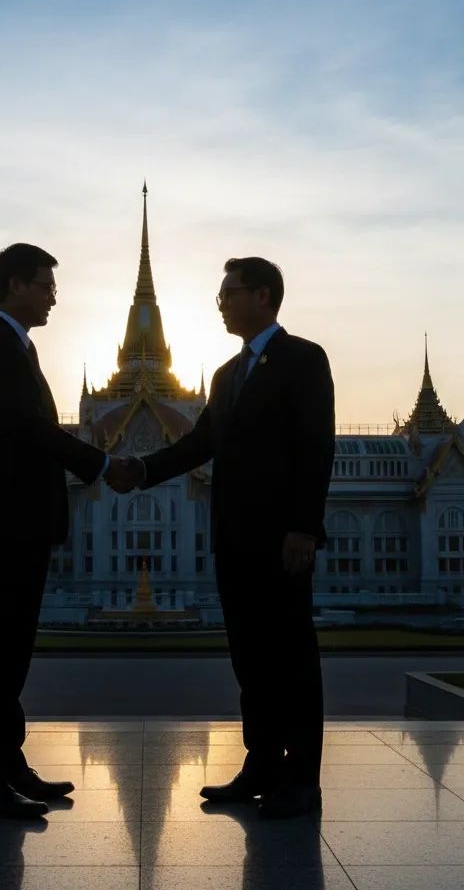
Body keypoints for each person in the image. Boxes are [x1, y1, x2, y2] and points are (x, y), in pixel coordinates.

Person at [107, 257, 334, 818]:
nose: (222, 304)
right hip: (233, 538)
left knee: (292, 660)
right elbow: (198, 444)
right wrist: (141, 470)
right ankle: (261, 764)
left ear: (263, 296)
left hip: (282, 540)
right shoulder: (228, 376)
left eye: (229, 293)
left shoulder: (304, 359)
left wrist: (303, 528)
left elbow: (316, 447)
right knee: (249, 660)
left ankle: (302, 780)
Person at [0, 242, 136, 818]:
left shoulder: (17, 349)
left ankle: (7, 765)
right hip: (0, 523)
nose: (54, 297)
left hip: (18, 524)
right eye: (46, 285)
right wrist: (103, 464)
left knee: (9, 657)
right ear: (15, 285)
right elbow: (30, 431)